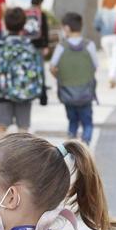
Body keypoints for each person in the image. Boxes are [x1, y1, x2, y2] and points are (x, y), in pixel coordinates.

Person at [0, 7, 47, 136]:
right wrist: (43, 93)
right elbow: (39, 69)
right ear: (23, 25)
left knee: (1, 126)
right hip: (26, 93)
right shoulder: (30, 46)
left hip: (4, 92)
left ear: (4, 23)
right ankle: (21, 155)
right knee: (23, 128)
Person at [49, 12, 99, 143]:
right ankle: (85, 147)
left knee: (72, 121)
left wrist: (59, 76)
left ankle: (71, 148)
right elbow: (95, 66)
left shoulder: (61, 46)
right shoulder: (89, 45)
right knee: (87, 123)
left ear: (66, 28)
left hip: (67, 93)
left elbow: (52, 67)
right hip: (85, 93)